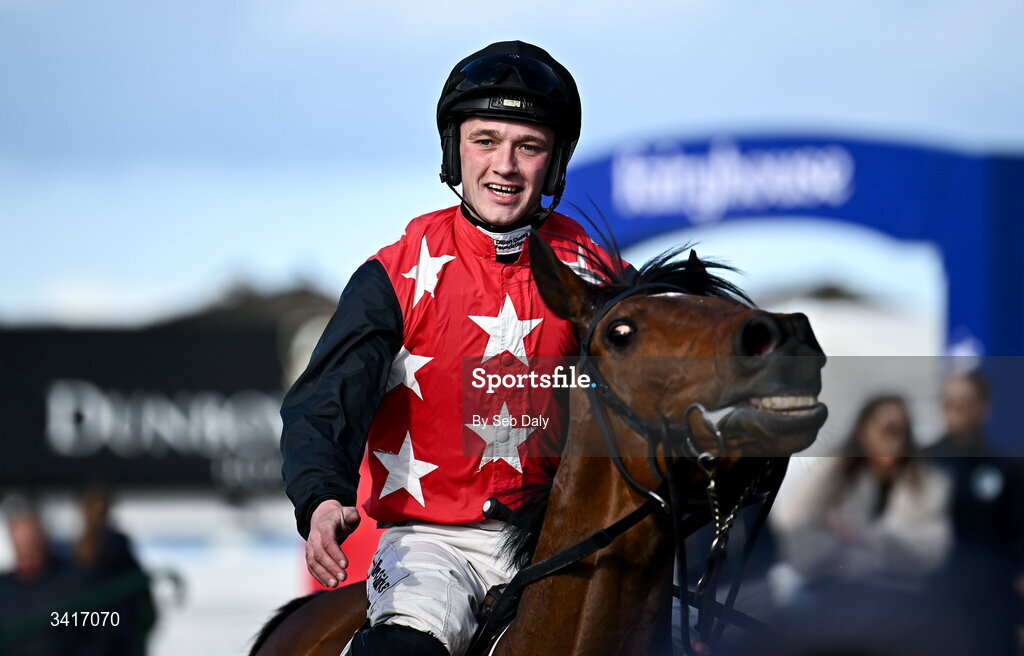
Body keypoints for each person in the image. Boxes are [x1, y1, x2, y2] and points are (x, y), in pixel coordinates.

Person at [280, 41, 618, 656]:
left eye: (529, 145)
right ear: (454, 150)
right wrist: (321, 497)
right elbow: (325, 401)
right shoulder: (394, 275)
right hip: (433, 546)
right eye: (486, 140)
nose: (506, 166)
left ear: (554, 161)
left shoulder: (599, 274)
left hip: (566, 542)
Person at [923, 371, 1024, 656]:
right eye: (949, 403)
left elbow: (1018, 528)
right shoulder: (922, 461)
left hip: (991, 595)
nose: (955, 411)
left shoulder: (1005, 466)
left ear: (983, 407)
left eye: (964, 403)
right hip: (935, 591)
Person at [0, 499, 91, 656]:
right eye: (20, 549)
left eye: (30, 546)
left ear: (43, 541)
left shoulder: (74, 583)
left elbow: (101, 631)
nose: (25, 556)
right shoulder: (4, 590)